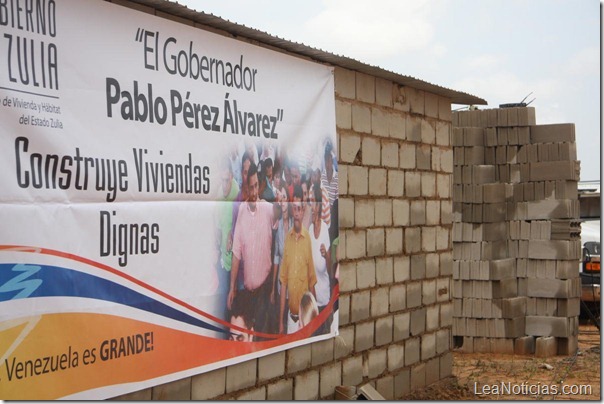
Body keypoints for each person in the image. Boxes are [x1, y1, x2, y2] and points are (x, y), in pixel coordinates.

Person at [229, 161, 279, 336]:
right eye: (251, 187)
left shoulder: (267, 208)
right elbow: (236, 253)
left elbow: (278, 217)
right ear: (246, 188)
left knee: (260, 337)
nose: (254, 191)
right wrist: (232, 286)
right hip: (248, 293)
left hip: (264, 290)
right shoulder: (241, 211)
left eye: (256, 186)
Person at [279, 185, 317, 334]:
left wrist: (315, 319)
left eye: (299, 209)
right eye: (293, 208)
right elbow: (283, 284)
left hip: (305, 323)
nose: (296, 213)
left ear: (302, 211)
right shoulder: (287, 240)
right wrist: (280, 321)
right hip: (290, 321)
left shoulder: (308, 239)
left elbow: (312, 280)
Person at [308, 183, 333, 334]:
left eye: (313, 202)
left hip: (324, 300)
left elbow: (330, 271)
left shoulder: (325, 230)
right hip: (313, 302)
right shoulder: (310, 230)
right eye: (310, 202)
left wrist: (327, 255)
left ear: (318, 205)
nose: (311, 206)